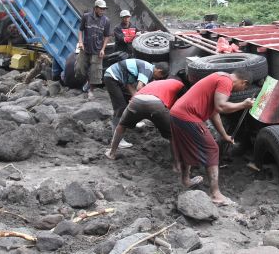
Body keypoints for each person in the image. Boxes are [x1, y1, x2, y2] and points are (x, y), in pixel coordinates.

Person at [170, 70, 253, 205]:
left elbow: (214, 113)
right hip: (188, 116)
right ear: (244, 82)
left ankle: (186, 180)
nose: (240, 91)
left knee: (186, 148)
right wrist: (243, 104)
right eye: (244, 88)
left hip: (176, 113)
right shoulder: (226, 81)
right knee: (212, 149)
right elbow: (221, 107)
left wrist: (224, 135)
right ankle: (215, 194)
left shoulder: (219, 77)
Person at [105, 77, 186, 160]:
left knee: (122, 125)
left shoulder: (155, 82)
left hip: (136, 100)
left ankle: (112, 152)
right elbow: (182, 104)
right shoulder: (179, 84)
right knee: (171, 135)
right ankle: (177, 163)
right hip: (156, 104)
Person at [104, 59, 169, 148]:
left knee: (129, 101)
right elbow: (139, 87)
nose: (158, 78)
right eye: (160, 76)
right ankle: (118, 140)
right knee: (120, 108)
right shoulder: (148, 70)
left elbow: (129, 84)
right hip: (112, 77)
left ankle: (132, 122)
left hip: (118, 78)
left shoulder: (147, 67)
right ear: (159, 71)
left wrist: (135, 98)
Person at [76, 0, 111, 98]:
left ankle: (91, 90)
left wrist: (103, 49)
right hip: (85, 47)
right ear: (95, 8)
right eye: (101, 9)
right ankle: (87, 81)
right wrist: (80, 42)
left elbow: (107, 36)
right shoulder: (86, 17)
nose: (102, 11)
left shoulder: (106, 21)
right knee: (79, 68)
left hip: (97, 49)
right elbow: (80, 30)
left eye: (104, 9)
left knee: (95, 71)